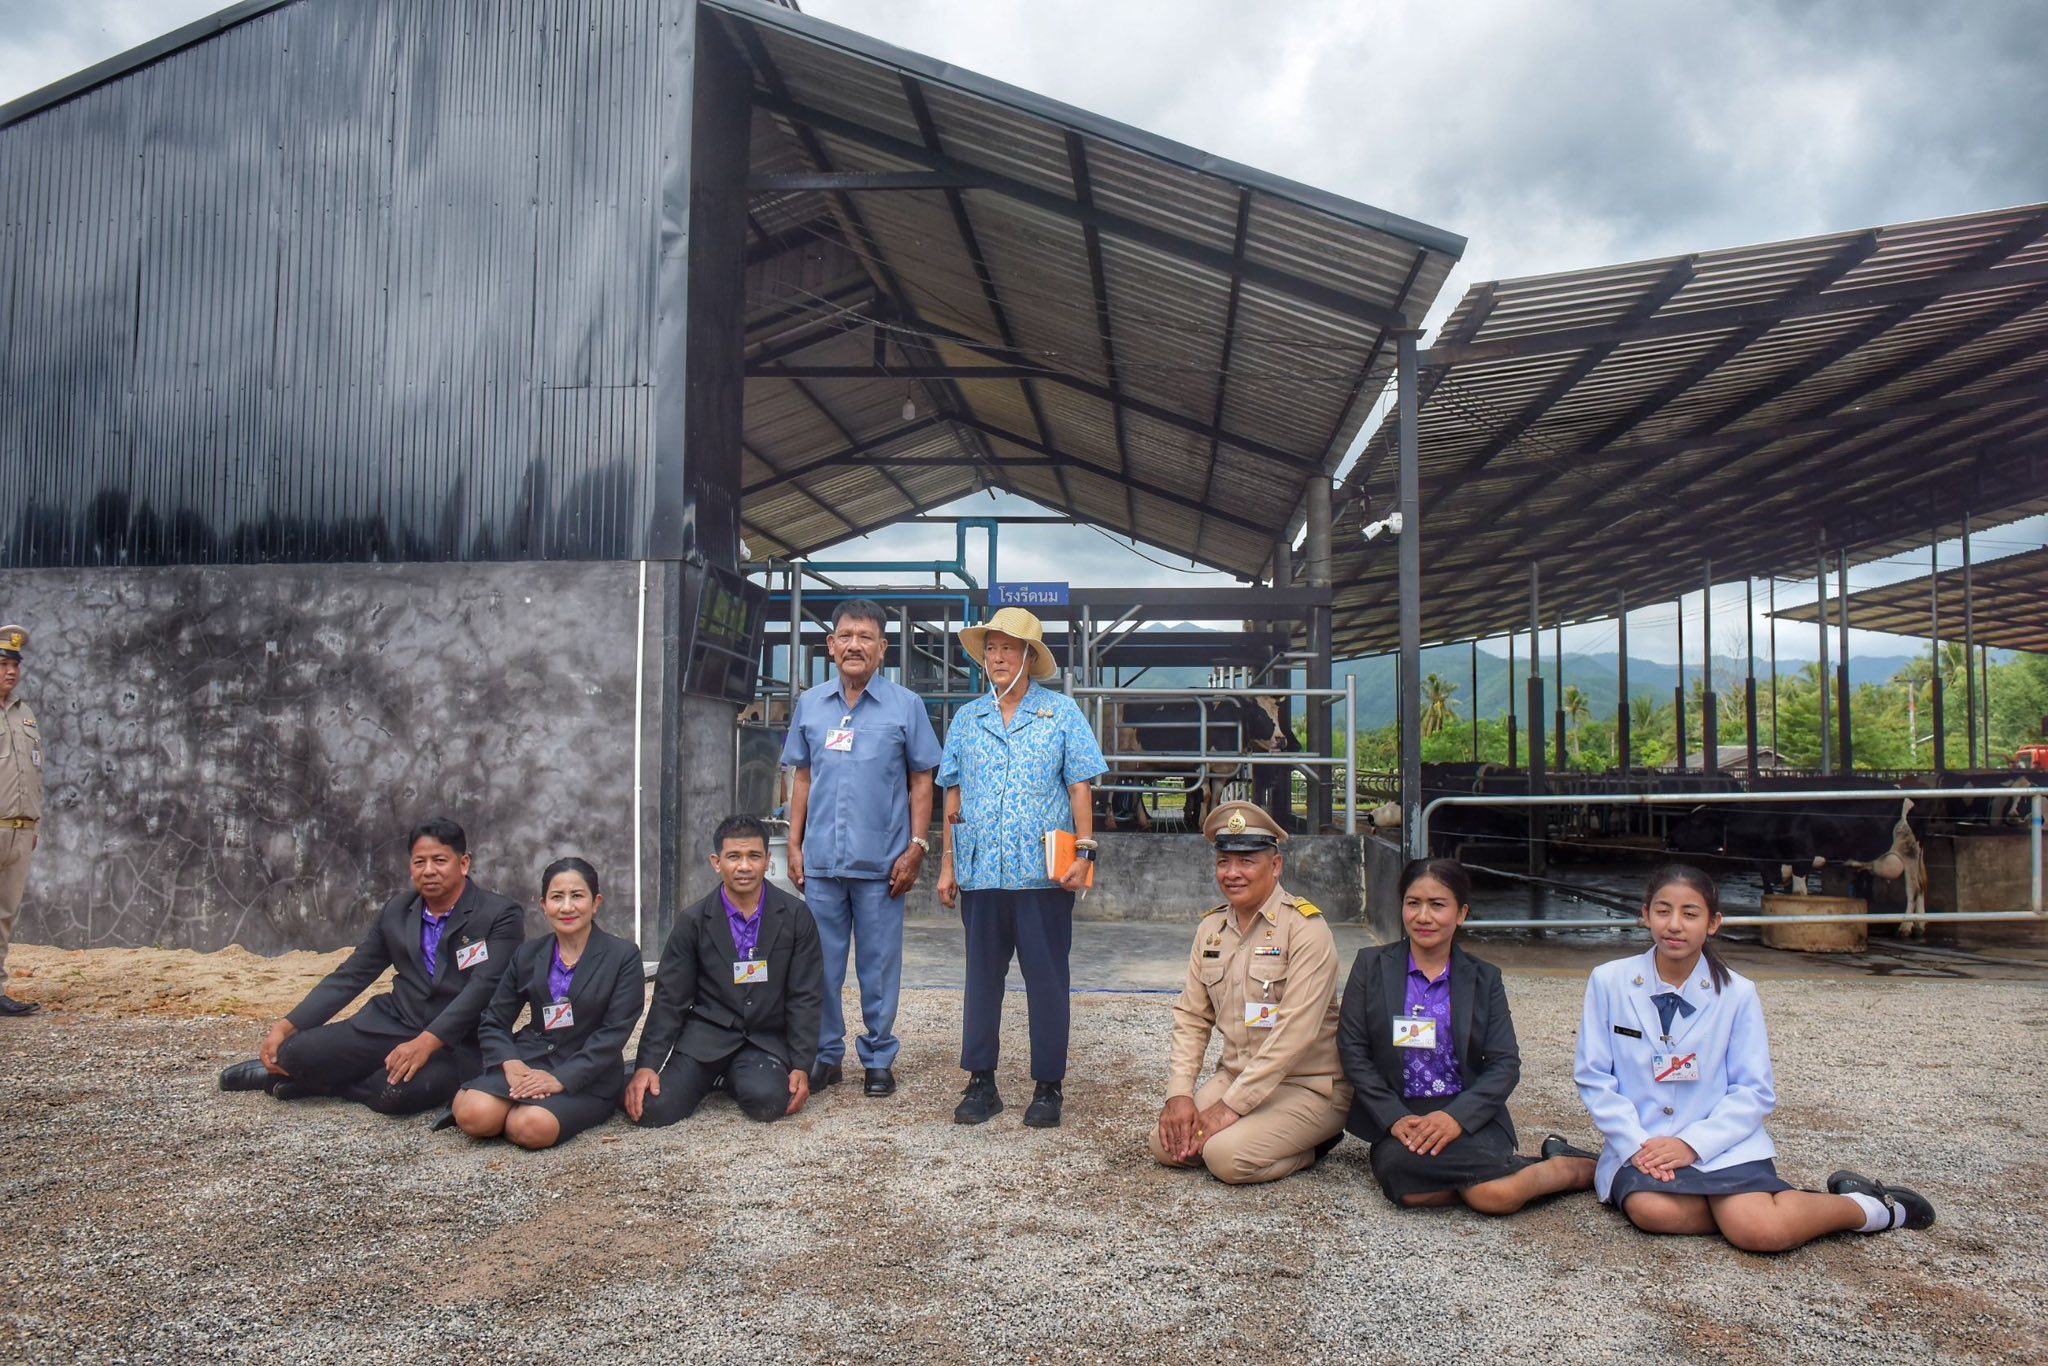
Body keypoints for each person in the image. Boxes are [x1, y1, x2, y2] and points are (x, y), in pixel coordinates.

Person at [1575, 862, 1936, 1251]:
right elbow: (1594, 1076)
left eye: (1690, 914)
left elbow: (1754, 1091)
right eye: (1663, 911)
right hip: (1645, 1147)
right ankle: (1763, 1208)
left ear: (1714, 923)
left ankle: (1873, 1207)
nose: (1674, 925)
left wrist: (1692, 1144)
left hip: (1722, 1144)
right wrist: (1637, 1144)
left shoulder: (1737, 993)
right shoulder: (1609, 981)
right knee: (1653, 1211)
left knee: (1760, 1233)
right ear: (1646, 915)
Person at [1339, 858, 1597, 1213]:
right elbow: (1353, 1049)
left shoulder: (1483, 978)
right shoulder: (1371, 965)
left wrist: (1456, 1118)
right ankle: (1520, 1170)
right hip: (1404, 1116)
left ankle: (1569, 1170)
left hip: (1470, 1113)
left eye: (1437, 905)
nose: (1423, 916)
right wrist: (1393, 1116)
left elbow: (1504, 1063)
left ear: (1461, 914)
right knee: (1410, 1189)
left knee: (1492, 1197)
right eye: (1413, 903)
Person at [217, 818, 524, 1115]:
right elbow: (352, 975)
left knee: (396, 1092)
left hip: (457, 1042)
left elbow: (482, 989)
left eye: (439, 860)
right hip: (393, 1024)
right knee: (294, 1052)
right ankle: (315, 1075)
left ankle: (322, 1084)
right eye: (419, 862)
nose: (429, 870)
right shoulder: (397, 911)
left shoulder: (500, 915)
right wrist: (286, 1026)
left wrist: (425, 1043)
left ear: (463, 863)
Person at [935, 606, 1106, 1130]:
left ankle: (1048, 1087)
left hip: (1043, 875)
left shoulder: (1061, 713)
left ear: (1030, 657)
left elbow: (1080, 787)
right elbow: (953, 796)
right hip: (981, 872)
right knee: (981, 980)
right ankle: (980, 1082)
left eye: (1009, 648)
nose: (998, 657)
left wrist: (1085, 853)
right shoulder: (968, 719)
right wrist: (947, 866)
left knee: (1047, 979)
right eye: (991, 648)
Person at [782, 598, 942, 1099]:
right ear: (831, 645)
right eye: (846, 636)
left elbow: (922, 780)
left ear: (882, 648)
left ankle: (878, 1057)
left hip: (883, 866)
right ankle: (826, 1056)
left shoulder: (905, 706)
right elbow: (802, 777)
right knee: (820, 968)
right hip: (822, 865)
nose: (855, 645)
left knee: (878, 967)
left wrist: (917, 847)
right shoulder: (811, 704)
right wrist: (793, 844)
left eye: (865, 637)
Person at [1150, 801, 1350, 1184]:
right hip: (1237, 1076)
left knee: (1224, 1157)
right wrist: (1179, 1095)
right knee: (1166, 1146)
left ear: (1276, 866)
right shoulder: (1210, 930)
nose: (1232, 873)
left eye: (1247, 861)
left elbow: (1295, 1034)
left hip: (1308, 1085)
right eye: (1223, 861)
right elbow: (1192, 1017)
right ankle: (1254, 1131)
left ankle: (1315, 1145)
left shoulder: (1306, 929)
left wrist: (1229, 1109)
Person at [624, 814, 824, 1128]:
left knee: (769, 1102)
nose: (744, 866)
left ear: (768, 861)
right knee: (652, 1109)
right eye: (734, 857)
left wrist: (801, 1064)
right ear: (716, 863)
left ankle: (734, 1076)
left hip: (763, 1040)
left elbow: (805, 995)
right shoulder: (693, 921)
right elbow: (670, 999)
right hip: (706, 1038)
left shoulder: (796, 916)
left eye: (754, 856)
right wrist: (646, 1065)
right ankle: (627, 1072)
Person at [451, 858, 644, 1149]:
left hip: (587, 1074)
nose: (566, 907)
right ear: (543, 905)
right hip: (528, 1063)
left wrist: (561, 1079)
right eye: (556, 897)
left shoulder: (623, 956)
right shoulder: (527, 955)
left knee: (530, 1127)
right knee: (474, 1115)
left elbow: (613, 1034)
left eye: (577, 896)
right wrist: (510, 1062)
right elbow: (494, 1020)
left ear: (596, 903)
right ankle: (505, 1105)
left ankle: (518, 1110)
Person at [0, 625, 43, 1016]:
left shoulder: (24, 714)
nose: (11, 671)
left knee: (4, 914)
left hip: (19, 830)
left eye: (14, 664)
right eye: (2, 664)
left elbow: (34, 773)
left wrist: (34, 824)